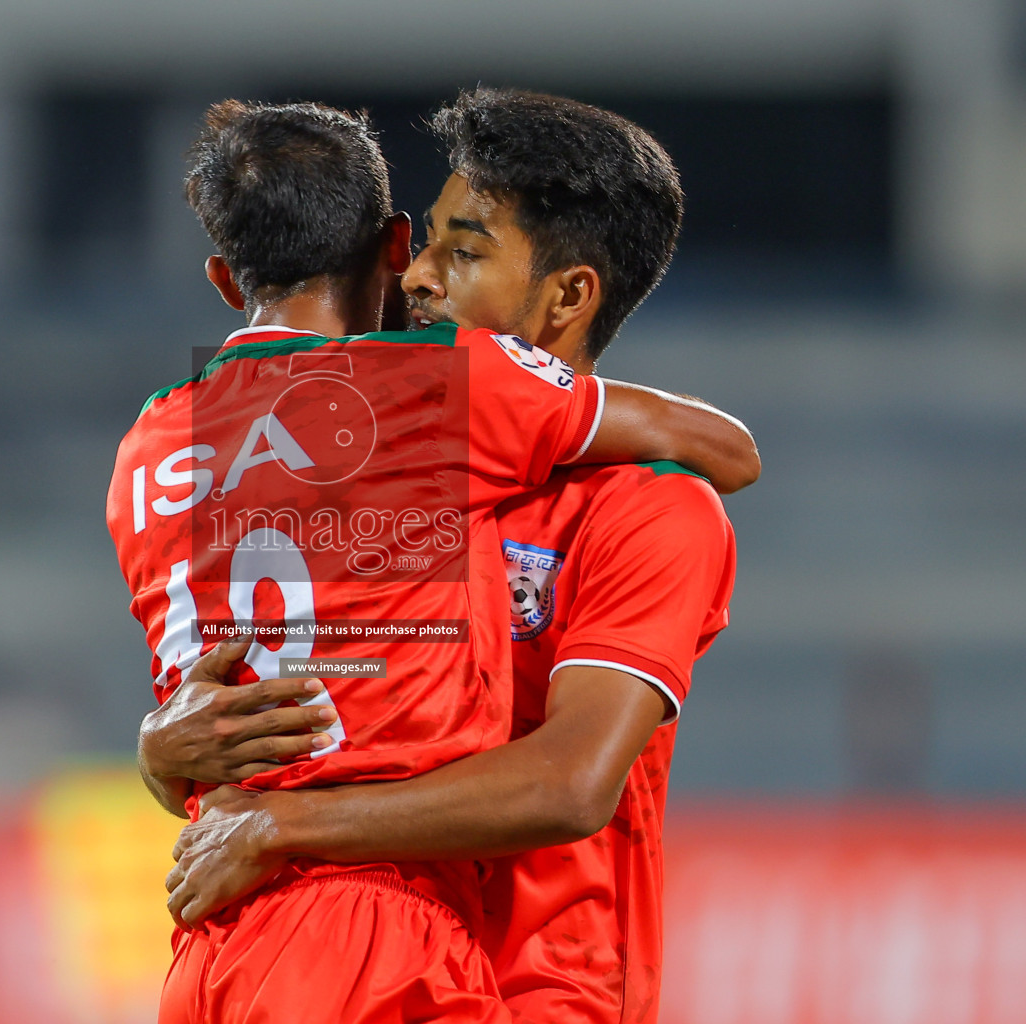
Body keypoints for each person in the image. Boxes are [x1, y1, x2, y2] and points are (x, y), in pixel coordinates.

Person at [108, 97, 756, 1024]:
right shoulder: (384, 439)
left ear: (570, 294)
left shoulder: (649, 506)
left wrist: (287, 824)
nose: (418, 278)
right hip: (364, 954)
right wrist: (163, 748)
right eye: (422, 245)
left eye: (464, 252)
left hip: (539, 990)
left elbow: (568, 783)